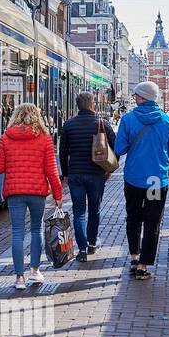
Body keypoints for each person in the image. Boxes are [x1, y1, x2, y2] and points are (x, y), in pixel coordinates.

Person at [0, 102, 63, 291]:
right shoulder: (44, 138)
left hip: (14, 191)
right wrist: (58, 195)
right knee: (36, 230)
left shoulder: (5, 138)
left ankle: (19, 278)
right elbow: (51, 170)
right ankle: (35, 271)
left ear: (15, 116)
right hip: (37, 192)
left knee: (17, 233)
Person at [114, 81, 169, 281]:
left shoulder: (128, 119)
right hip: (156, 180)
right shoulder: (168, 121)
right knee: (152, 221)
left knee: (133, 217)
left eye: (135, 96)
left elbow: (119, 149)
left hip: (133, 179)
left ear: (141, 97)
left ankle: (134, 257)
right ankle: (143, 266)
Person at [57, 91, 115, 263]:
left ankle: (81, 249)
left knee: (79, 211)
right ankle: (91, 243)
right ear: (92, 105)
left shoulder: (68, 125)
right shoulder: (102, 124)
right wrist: (110, 168)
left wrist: (65, 173)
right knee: (94, 210)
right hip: (97, 174)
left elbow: (63, 152)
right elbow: (116, 145)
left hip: (75, 174)